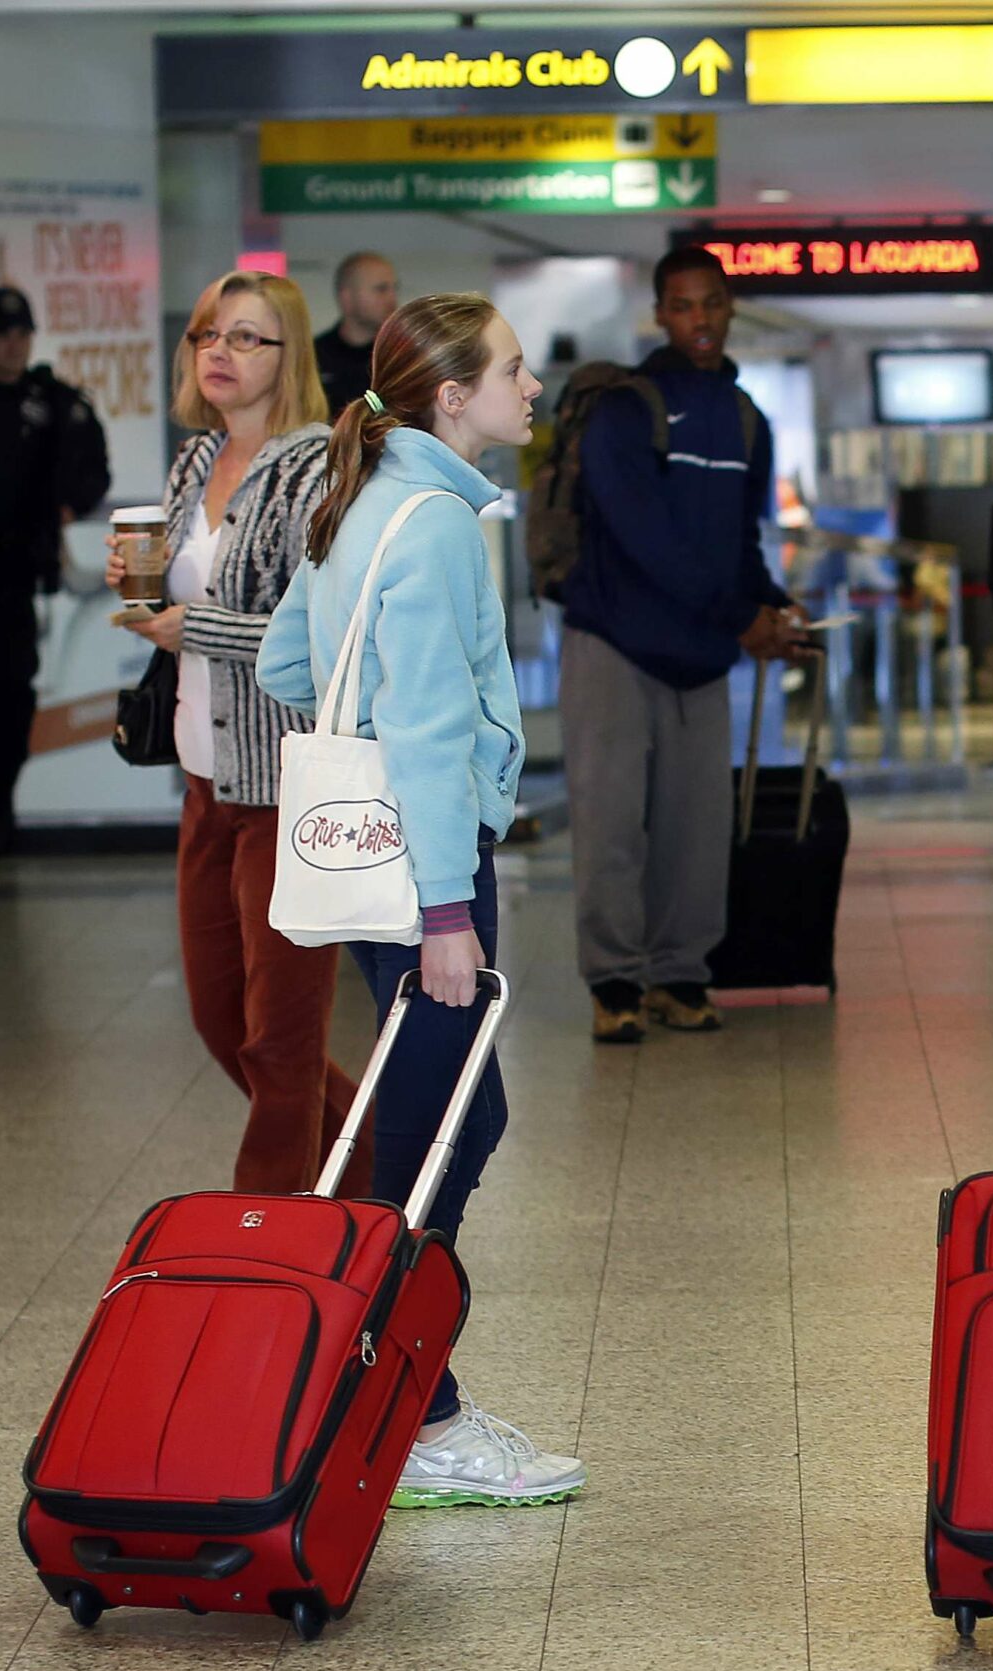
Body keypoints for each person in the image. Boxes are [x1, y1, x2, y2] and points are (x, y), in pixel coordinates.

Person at [261, 292, 584, 1509]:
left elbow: (289, 663)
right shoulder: (440, 523)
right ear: (452, 397)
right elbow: (434, 726)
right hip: (427, 875)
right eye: (511, 369)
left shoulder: (357, 496)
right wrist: (447, 911)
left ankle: (393, 1377)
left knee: (458, 1107)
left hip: (362, 858)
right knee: (444, 1121)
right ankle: (409, 1400)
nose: (530, 386)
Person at [106, 271, 370, 1196]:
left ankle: (267, 1235)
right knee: (223, 1019)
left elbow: (330, 637)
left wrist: (196, 628)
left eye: (246, 338)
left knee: (281, 1032)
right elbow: (177, 593)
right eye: (208, 335)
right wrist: (140, 592)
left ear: (289, 355)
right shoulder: (192, 463)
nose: (219, 352)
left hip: (286, 781)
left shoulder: (318, 468)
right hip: (203, 775)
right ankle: (374, 1161)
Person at [558, 246, 808, 1043]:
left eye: (713, 304)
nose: (700, 320)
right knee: (610, 821)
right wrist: (738, 617)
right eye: (684, 305)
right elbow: (645, 540)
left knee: (696, 827)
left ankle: (679, 974)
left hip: (701, 651)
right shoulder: (625, 410)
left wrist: (771, 608)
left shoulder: (745, 421)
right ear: (661, 315)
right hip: (614, 641)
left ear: (731, 309)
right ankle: (614, 980)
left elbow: (739, 539)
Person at [0, 283, 110, 852]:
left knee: (14, 694)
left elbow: (93, 471)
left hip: (20, 576)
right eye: (3, 334)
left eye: (21, 334)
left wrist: (66, 504)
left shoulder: (55, 402)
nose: (13, 345)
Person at [313, 252, 398, 418]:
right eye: (381, 289)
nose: (392, 299)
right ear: (347, 297)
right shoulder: (313, 357)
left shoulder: (399, 358)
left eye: (394, 288)